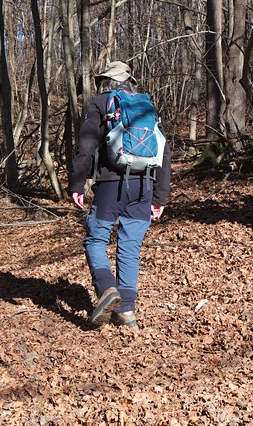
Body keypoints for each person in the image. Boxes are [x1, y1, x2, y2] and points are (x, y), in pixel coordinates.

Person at [68, 61, 172, 329]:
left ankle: (107, 289)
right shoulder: (146, 107)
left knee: (95, 238)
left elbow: (86, 147)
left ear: (105, 82)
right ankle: (126, 312)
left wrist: (77, 185)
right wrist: (160, 197)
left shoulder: (100, 104)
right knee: (130, 248)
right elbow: (164, 152)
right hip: (145, 186)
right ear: (129, 81)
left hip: (112, 185)